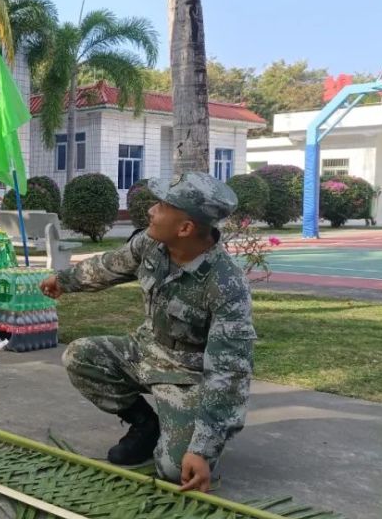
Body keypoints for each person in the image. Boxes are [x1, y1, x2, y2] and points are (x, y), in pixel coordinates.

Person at [39, 172, 255, 493]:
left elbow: (229, 373)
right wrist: (64, 281)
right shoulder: (151, 244)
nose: (152, 211)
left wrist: (202, 448)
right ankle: (145, 424)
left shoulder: (226, 285)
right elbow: (111, 264)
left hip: (185, 376)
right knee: (80, 355)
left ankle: (187, 440)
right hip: (144, 351)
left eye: (163, 206)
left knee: (174, 470)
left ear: (185, 228)